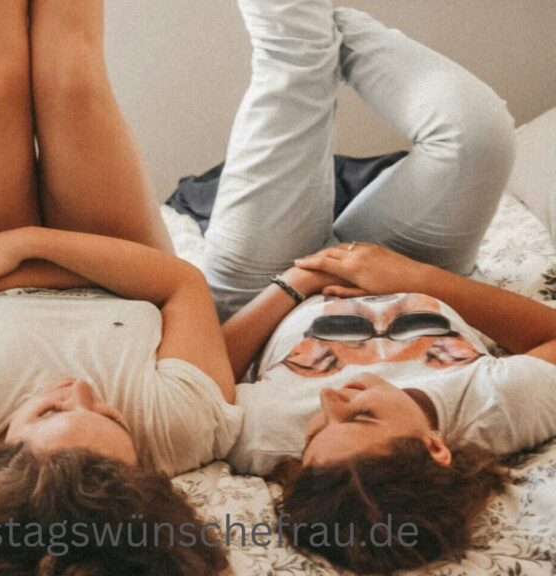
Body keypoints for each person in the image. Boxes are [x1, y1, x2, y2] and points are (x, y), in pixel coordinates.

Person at [201, 1, 556, 572]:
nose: (331, 401)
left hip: (269, 284)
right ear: (435, 448)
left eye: (317, 432)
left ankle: (304, 24)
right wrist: (414, 278)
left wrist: (297, 282)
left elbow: (197, 372)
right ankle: (318, 19)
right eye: (362, 416)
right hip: (414, 265)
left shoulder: (268, 436)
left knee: (293, 60)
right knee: (479, 135)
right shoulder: (494, 412)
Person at [0, 0, 238, 573]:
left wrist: (26, 248)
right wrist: (32, 244)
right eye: (110, 415)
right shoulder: (178, 431)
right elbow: (183, 284)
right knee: (70, 73)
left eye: (50, 410)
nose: (80, 388)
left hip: (46, 266)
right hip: (109, 254)